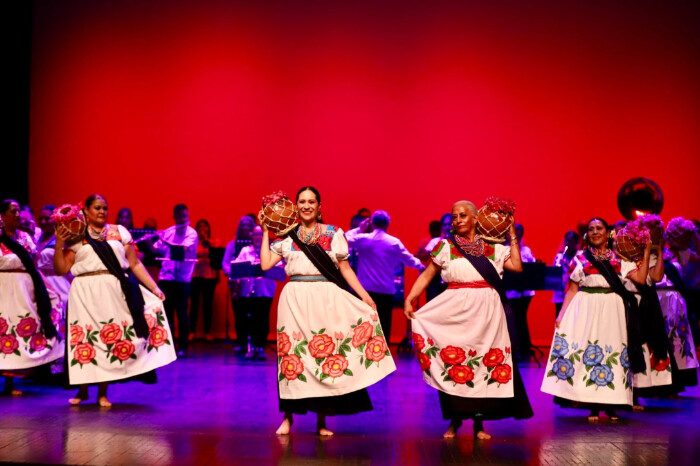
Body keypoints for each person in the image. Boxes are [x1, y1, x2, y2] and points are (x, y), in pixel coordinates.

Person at [260, 186, 396, 436]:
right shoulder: (288, 236)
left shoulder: (334, 233)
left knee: (324, 355)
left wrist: (365, 296)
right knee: (293, 357)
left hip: (325, 298)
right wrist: (267, 231)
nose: (306, 206)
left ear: (319, 206)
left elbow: (345, 269)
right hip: (295, 299)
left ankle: (321, 421)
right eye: (302, 201)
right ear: (295, 206)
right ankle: (288, 418)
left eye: (311, 201)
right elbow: (266, 263)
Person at [404, 201, 532, 439]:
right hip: (454, 310)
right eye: (454, 217)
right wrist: (411, 297)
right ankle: (454, 421)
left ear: (476, 219)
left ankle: (479, 424)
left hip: (487, 313)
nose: (458, 220)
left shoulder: (492, 247)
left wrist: (511, 234)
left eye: (463, 215)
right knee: (455, 361)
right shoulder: (446, 246)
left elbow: (516, 266)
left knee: (482, 363)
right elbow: (428, 274)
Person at [53, 194, 176, 406]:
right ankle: (82, 391)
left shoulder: (119, 232)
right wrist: (58, 244)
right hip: (84, 292)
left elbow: (135, 264)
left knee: (107, 338)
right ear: (86, 211)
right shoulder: (76, 235)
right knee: (85, 339)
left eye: (105, 208)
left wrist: (154, 287)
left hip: (113, 290)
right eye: (97, 208)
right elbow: (61, 268)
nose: (102, 211)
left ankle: (102, 392)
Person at [541, 218, 651, 421]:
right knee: (589, 352)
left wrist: (645, 252)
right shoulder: (580, 258)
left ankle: (611, 406)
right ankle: (592, 405)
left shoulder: (620, 258)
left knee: (614, 352)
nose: (594, 232)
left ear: (608, 232)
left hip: (613, 308)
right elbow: (572, 289)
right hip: (587, 307)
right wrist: (562, 314)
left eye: (599, 228)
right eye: (591, 229)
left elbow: (641, 280)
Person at [1, 200, 64, 396]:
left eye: (19, 211)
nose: (18, 215)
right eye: (13, 212)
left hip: (23, 288)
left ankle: (11, 382)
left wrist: (46, 287)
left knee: (19, 329)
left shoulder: (25, 238)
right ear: (2, 216)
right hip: (3, 286)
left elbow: (34, 263)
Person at [346, 210, 424, 341]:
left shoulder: (364, 240)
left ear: (373, 223)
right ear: (388, 224)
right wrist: (422, 266)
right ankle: (384, 355)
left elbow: (344, 239)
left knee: (364, 326)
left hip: (365, 291)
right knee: (384, 326)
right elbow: (409, 260)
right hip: (386, 291)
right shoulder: (393, 243)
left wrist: (359, 229)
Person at [148, 204, 198, 357]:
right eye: (180, 216)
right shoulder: (169, 232)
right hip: (166, 278)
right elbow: (155, 250)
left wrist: (163, 239)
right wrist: (149, 239)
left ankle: (183, 346)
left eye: (185, 216)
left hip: (182, 280)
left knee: (182, 314)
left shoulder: (192, 234)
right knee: (166, 314)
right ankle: (167, 346)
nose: (183, 219)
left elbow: (183, 249)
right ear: (175, 217)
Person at [227, 225, 282, 360]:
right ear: (252, 237)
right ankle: (250, 347)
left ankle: (261, 347)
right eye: (256, 235)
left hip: (265, 291)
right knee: (249, 320)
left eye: (261, 235)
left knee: (262, 319)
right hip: (248, 290)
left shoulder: (271, 250)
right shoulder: (246, 250)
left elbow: (280, 269)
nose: (258, 238)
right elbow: (237, 267)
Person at [222, 216, 256, 352]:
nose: (246, 227)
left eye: (249, 225)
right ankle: (241, 342)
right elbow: (225, 263)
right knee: (239, 313)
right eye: (243, 225)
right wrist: (233, 274)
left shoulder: (256, 245)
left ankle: (254, 343)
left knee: (254, 314)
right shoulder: (232, 244)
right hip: (237, 285)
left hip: (254, 285)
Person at [506, 224, 536, 362]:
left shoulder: (526, 250)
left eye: (519, 232)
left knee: (521, 318)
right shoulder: (505, 249)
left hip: (525, 292)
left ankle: (524, 348)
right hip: (510, 291)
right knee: (513, 320)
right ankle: (514, 348)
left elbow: (532, 267)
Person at [189, 219, 221, 342]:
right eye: (200, 227)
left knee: (208, 305)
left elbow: (216, 255)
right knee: (194, 305)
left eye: (205, 227)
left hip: (209, 276)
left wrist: (207, 240)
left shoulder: (214, 241)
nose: (202, 229)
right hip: (195, 276)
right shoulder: (193, 242)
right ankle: (192, 332)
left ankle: (208, 332)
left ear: (209, 228)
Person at [552, 231, 580, 317]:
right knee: (559, 316)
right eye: (566, 240)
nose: (568, 243)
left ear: (576, 243)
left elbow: (579, 273)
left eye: (571, 241)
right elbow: (554, 274)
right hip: (560, 293)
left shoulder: (579, 256)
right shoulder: (559, 256)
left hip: (574, 293)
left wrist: (567, 266)